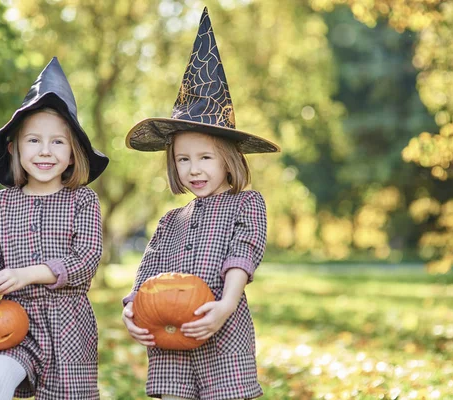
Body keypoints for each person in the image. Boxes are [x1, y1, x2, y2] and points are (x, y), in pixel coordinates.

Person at [122, 8, 280, 400]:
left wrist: (226, 305)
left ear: (229, 158)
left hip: (220, 331)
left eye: (205, 158)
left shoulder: (247, 204)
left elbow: (243, 254)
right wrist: (132, 308)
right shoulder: (172, 219)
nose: (194, 169)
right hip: (169, 340)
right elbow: (150, 268)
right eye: (183, 159)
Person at [0, 57, 109, 400]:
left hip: (69, 328)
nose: (45, 151)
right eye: (34, 140)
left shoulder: (83, 201)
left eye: (58, 142)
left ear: (74, 154)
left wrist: (28, 273)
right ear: (13, 146)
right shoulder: (0, 204)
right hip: (12, 321)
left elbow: (87, 259)